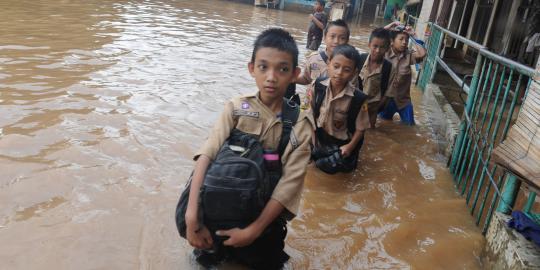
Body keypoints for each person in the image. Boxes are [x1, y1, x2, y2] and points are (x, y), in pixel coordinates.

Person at [183, 28, 314, 269]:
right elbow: (207, 154)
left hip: (262, 226)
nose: (271, 77)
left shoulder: (300, 124)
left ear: (295, 74)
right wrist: (192, 214)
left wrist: (254, 231)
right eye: (263, 67)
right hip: (217, 217)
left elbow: (288, 186)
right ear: (251, 68)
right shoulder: (235, 108)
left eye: (282, 69)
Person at [311, 44, 370, 174]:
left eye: (346, 70)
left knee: (340, 177)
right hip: (319, 138)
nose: (339, 73)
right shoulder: (318, 86)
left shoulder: (358, 99)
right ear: (328, 64)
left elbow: (361, 129)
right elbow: (309, 114)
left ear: (354, 72)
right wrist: (313, 141)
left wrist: (349, 147)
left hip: (341, 145)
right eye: (336, 67)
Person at [380, 21, 426, 125]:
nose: (404, 42)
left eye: (406, 39)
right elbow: (376, 38)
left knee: (410, 127)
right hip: (386, 100)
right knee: (382, 124)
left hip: (404, 101)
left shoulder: (408, 55)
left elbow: (422, 53)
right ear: (392, 41)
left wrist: (413, 35)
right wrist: (389, 25)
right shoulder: (385, 52)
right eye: (401, 39)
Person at [296, 19, 350, 107]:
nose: (336, 41)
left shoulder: (349, 65)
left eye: (342, 38)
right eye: (332, 36)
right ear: (324, 38)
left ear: (347, 41)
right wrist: (291, 77)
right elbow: (306, 79)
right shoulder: (314, 59)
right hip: (310, 106)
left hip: (335, 109)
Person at [358, 28, 392, 128]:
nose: (378, 50)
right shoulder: (360, 59)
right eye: (375, 46)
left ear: (387, 48)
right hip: (356, 104)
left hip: (373, 108)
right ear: (369, 45)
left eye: (382, 47)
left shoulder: (388, 67)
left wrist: (377, 108)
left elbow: (388, 93)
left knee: (370, 131)